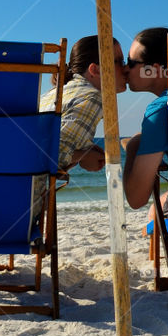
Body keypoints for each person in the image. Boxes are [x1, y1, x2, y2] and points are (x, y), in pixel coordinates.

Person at [34, 36, 128, 214]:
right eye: (119, 61)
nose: (125, 68)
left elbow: (41, 143)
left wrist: (86, 149)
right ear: (95, 69)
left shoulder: (54, 94)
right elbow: (49, 156)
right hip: (27, 206)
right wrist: (84, 156)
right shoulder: (92, 97)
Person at [122, 26, 168, 230]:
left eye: (131, 62)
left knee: (156, 211)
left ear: (153, 69)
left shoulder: (162, 109)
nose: (125, 69)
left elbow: (136, 198)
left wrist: (135, 146)